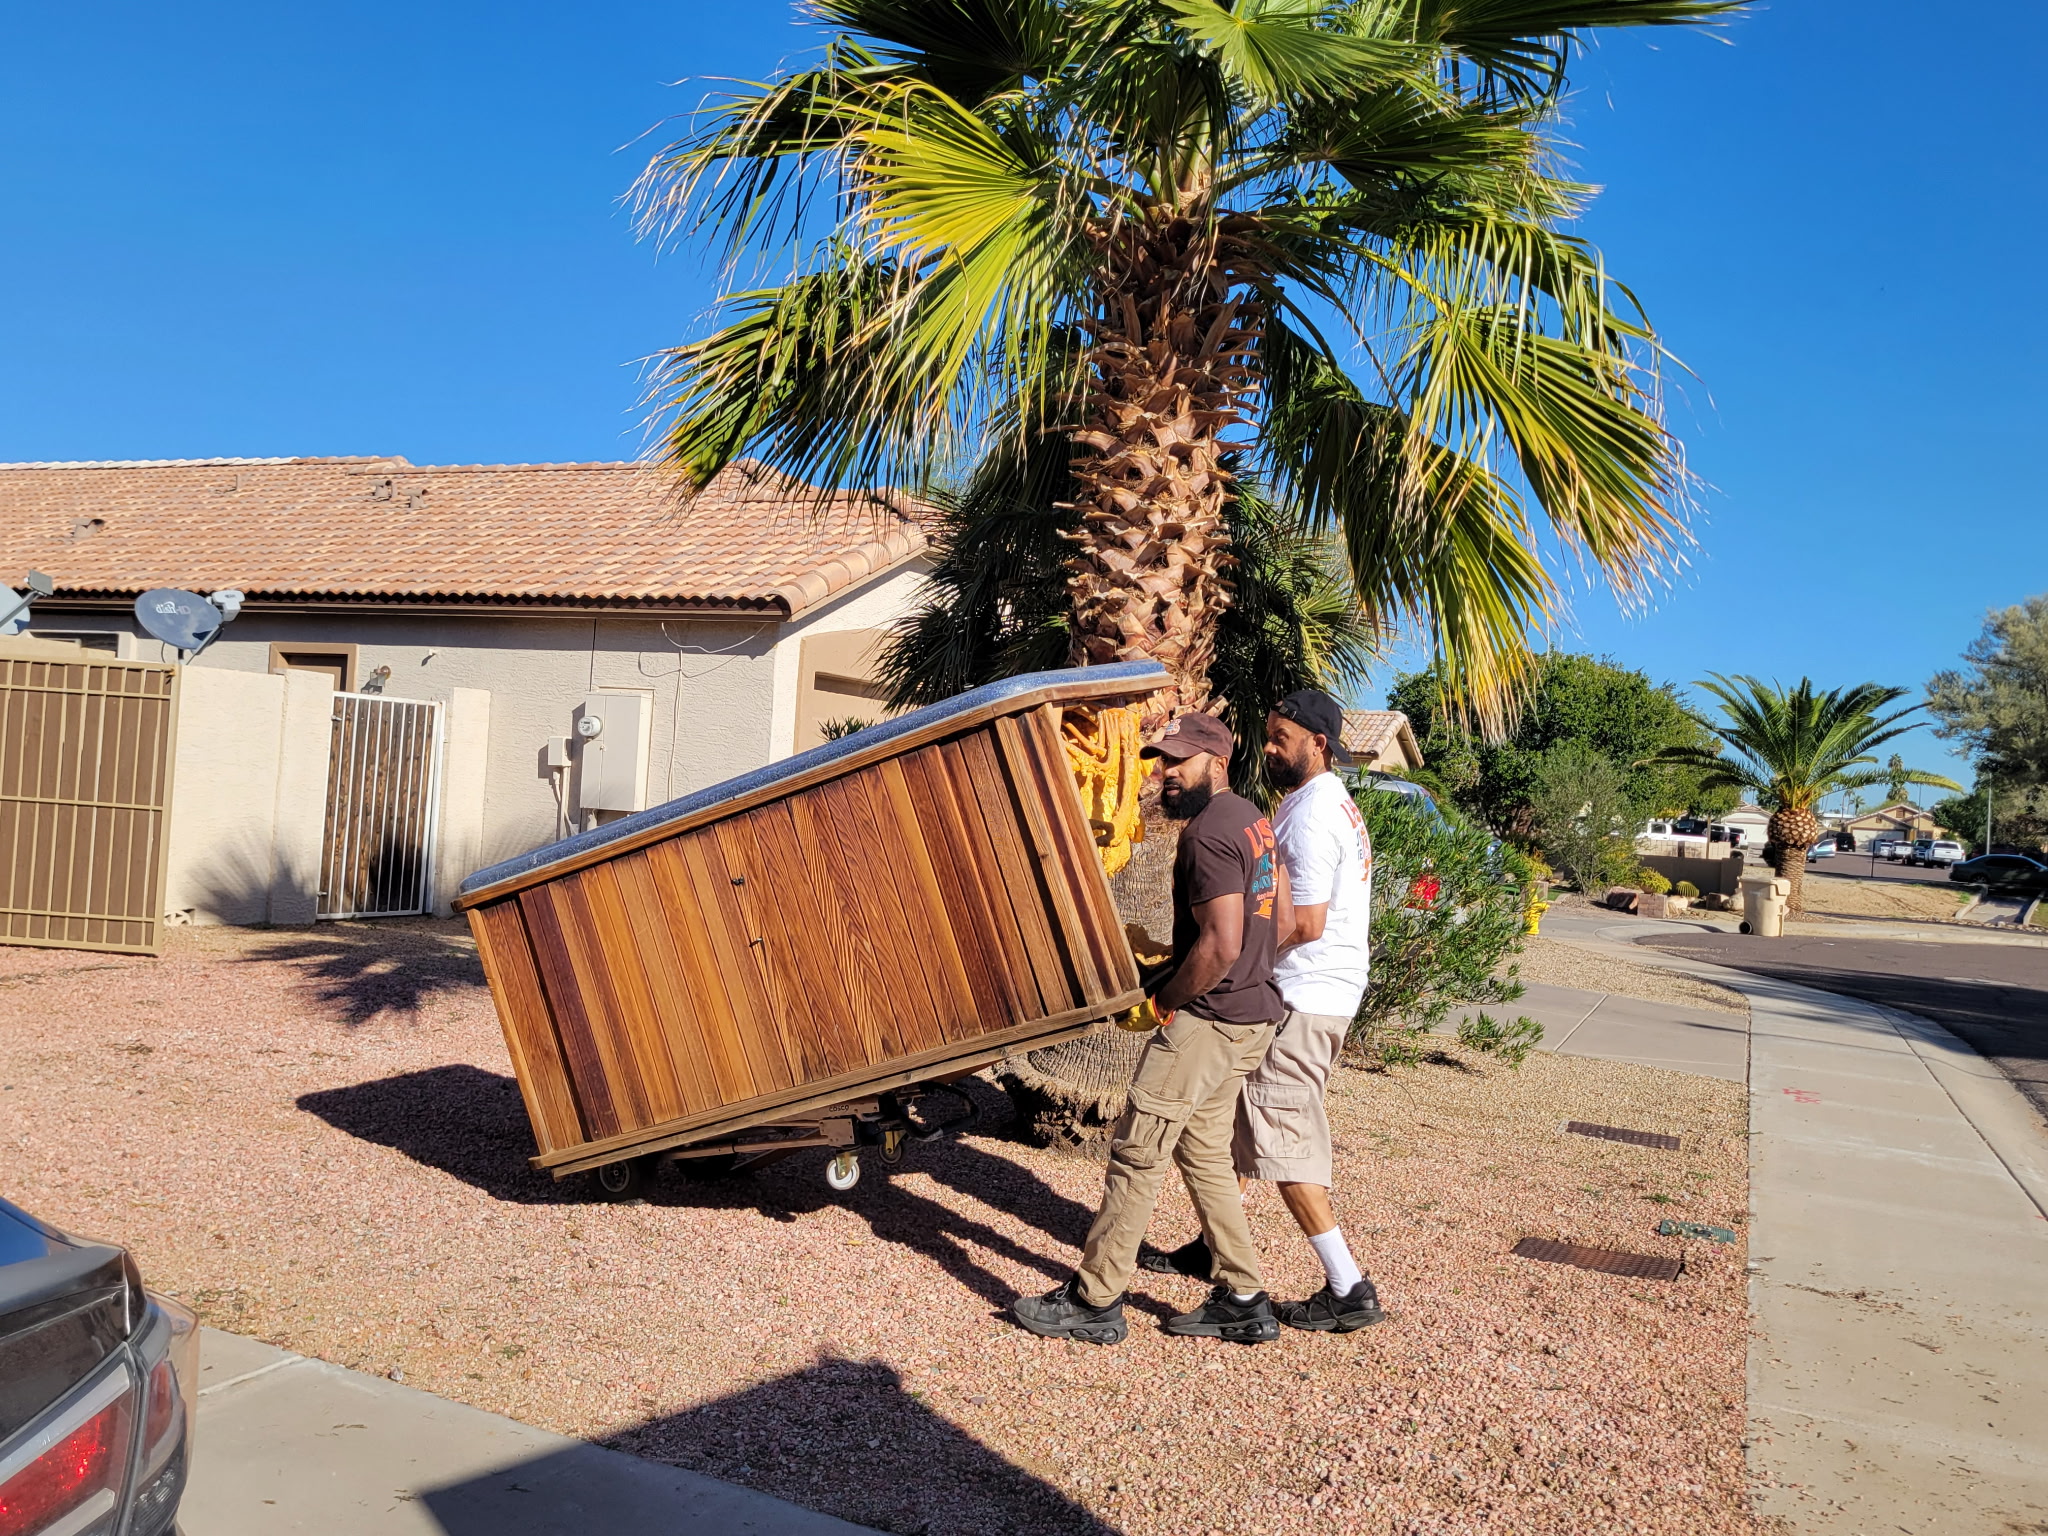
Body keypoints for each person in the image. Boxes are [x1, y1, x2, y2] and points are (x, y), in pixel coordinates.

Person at [1010, 710, 1290, 1346]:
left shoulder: (1208, 836)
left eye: (1179, 762)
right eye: (1162, 761)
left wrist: (1165, 999)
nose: (1165, 773)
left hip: (1208, 1024)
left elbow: (1220, 944)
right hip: (1251, 1017)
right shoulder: (1252, 821)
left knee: (1138, 1154)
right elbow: (1288, 919)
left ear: (1215, 763)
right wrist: (1190, 962)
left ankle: (1095, 1300)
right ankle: (1243, 1296)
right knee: (1204, 1155)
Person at [1142, 688, 1383, 1332]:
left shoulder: (1310, 815)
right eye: (1269, 736)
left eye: (1282, 739)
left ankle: (1347, 1284)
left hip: (1305, 995)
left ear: (1319, 745)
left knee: (1287, 1142)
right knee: (1244, 1128)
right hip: (1318, 992)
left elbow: (1302, 922)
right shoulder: (1322, 804)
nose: (1270, 749)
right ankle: (1213, 1250)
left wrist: (1231, 963)